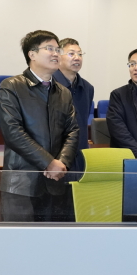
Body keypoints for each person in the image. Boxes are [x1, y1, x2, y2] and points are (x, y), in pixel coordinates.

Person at [0, 30, 79, 222]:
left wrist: (62, 163)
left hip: (55, 182)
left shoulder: (63, 93)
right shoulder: (12, 86)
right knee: (20, 238)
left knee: (52, 238)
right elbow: (13, 132)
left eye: (57, 49)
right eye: (49, 48)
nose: (55, 53)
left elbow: (72, 131)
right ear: (32, 54)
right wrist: (49, 163)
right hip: (20, 184)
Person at [53, 38, 94, 176]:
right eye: (71, 54)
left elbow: (82, 121)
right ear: (58, 56)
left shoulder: (87, 88)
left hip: (80, 155)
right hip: (55, 158)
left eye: (80, 54)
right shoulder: (48, 85)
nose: (77, 57)